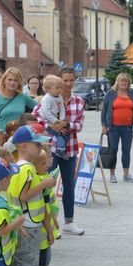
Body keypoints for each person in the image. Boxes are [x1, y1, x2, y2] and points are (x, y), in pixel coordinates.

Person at [6, 125, 55, 266]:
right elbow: (23, 195)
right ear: (24, 146)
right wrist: (45, 184)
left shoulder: (20, 167)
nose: (40, 148)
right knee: (27, 265)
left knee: (24, 264)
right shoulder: (26, 169)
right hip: (28, 223)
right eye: (37, 144)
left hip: (26, 221)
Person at [33, 66, 85, 235]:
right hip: (50, 148)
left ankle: (69, 222)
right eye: (65, 80)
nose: (68, 84)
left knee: (69, 186)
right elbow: (36, 116)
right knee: (45, 184)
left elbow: (80, 125)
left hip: (70, 149)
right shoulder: (48, 98)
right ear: (59, 81)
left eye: (71, 80)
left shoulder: (79, 101)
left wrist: (68, 125)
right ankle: (45, 221)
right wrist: (54, 125)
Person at [101, 72, 133, 183]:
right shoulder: (111, 93)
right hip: (113, 128)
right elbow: (104, 110)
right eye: (122, 80)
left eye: (126, 81)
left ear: (128, 82)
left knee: (126, 151)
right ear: (118, 81)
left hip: (128, 128)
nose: (124, 83)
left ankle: (126, 175)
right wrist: (104, 126)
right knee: (113, 150)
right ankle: (112, 174)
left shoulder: (132, 93)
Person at [0, 68, 37, 132]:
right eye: (9, 80)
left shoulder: (23, 97)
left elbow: (39, 108)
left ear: (19, 83)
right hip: (3, 138)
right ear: (4, 81)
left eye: (16, 80)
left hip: (20, 137)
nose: (12, 83)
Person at [39, 75, 68, 160]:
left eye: (60, 87)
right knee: (59, 134)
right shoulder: (46, 99)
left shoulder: (59, 97)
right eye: (57, 88)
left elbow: (62, 108)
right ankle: (60, 150)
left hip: (56, 120)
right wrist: (55, 121)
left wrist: (61, 120)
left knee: (64, 133)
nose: (59, 90)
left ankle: (60, 148)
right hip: (48, 120)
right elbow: (46, 111)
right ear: (48, 88)